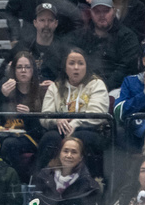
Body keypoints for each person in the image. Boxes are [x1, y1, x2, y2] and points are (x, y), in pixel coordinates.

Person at [38, 47, 110, 175]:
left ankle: (89, 182)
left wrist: (75, 123)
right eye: (71, 63)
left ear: (86, 66)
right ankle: (41, 181)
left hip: (90, 131)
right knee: (49, 137)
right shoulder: (55, 87)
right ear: (65, 67)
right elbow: (45, 116)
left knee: (80, 138)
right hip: (60, 129)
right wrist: (56, 120)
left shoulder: (96, 84)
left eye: (80, 63)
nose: (76, 67)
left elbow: (98, 113)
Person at [0, 51, 45, 181]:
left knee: (9, 144)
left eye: (27, 67)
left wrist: (30, 115)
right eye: (19, 67)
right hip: (4, 134)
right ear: (13, 70)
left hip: (30, 136)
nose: (23, 71)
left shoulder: (40, 88)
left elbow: (44, 125)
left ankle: (18, 182)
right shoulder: (2, 85)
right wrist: (1, 95)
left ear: (33, 70)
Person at [68, 0, 141, 92]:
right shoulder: (79, 36)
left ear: (114, 11)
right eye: (97, 11)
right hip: (82, 87)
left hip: (116, 89)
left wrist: (102, 87)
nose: (102, 15)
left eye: (106, 11)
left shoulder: (127, 37)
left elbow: (126, 69)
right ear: (90, 12)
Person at [27, 135, 101, 205]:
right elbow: (31, 204)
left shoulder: (89, 185)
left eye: (74, 152)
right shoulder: (43, 176)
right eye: (65, 151)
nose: (69, 155)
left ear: (81, 157)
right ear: (59, 154)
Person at [11, 2, 70, 83]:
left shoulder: (65, 50)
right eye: (42, 20)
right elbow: (2, 73)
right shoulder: (22, 47)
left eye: (50, 20)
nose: (46, 24)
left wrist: (57, 86)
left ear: (56, 23)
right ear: (35, 23)